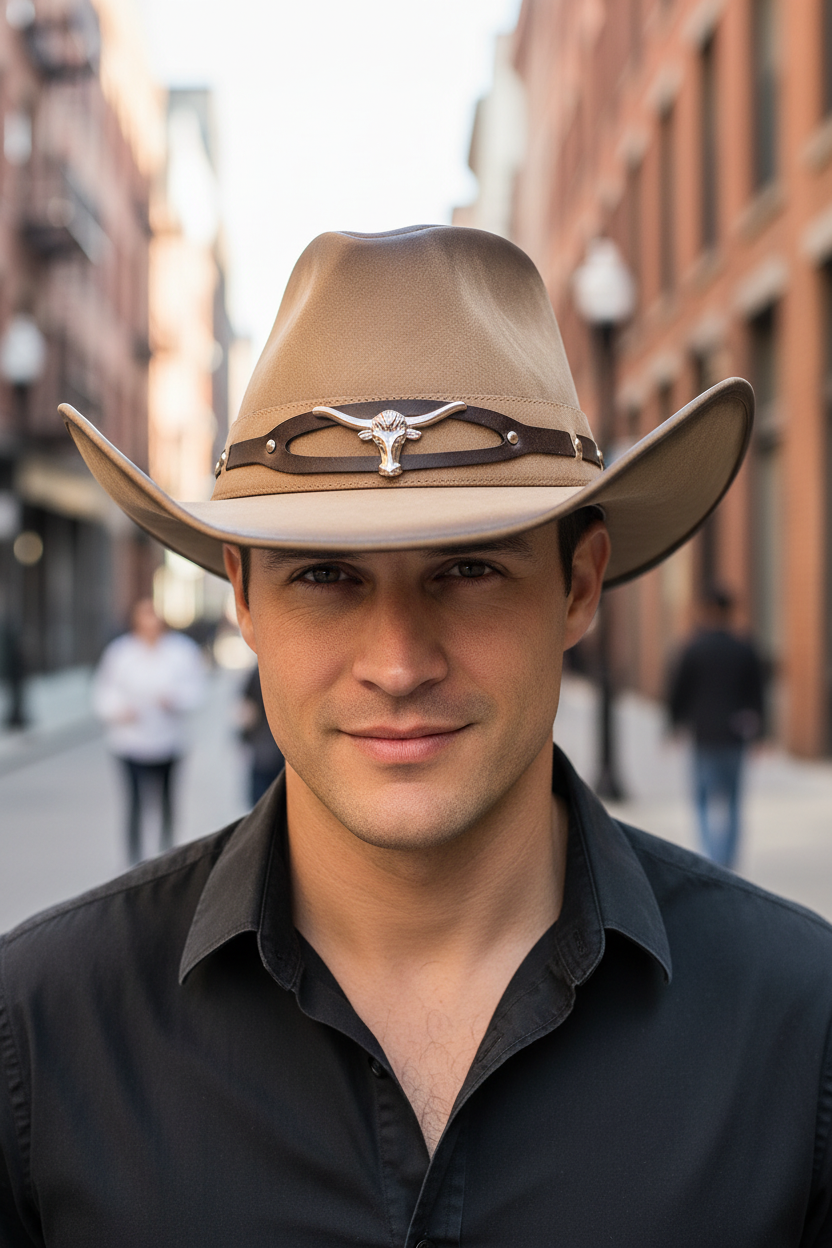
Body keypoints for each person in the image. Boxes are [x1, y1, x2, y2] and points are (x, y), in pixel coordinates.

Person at [1, 226, 830, 1245]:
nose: (398, 664)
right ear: (244, 601)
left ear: (575, 588)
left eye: (470, 568)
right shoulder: (40, 1036)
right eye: (326, 575)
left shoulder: (799, 1029)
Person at [92, 598, 206, 864]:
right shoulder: (120, 653)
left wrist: (175, 700)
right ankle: (133, 861)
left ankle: (167, 858)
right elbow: (104, 692)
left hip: (169, 740)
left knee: (167, 801)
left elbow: (197, 689)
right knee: (134, 803)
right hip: (129, 742)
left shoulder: (181, 651)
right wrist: (119, 711)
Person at [668, 587, 767, 869]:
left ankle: (711, 857)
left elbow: (679, 690)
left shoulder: (693, 648)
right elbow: (758, 693)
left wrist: (673, 724)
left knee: (702, 798)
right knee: (733, 800)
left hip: (703, 734)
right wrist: (762, 733)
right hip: (736, 735)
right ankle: (727, 859)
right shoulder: (745, 647)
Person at [237, 662, 284, 804]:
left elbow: (247, 713)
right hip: (282, 751)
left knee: (260, 803)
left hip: (262, 750)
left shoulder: (258, 671)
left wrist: (242, 738)